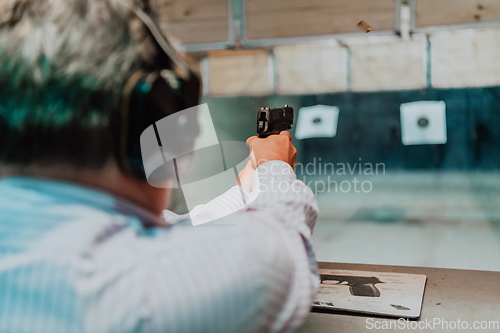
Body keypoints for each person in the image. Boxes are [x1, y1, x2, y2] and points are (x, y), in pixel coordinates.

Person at [0, 1, 319, 332]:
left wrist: (244, 191)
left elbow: (174, 229)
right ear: (153, 118)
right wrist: (274, 167)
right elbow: (279, 249)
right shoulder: (143, 293)